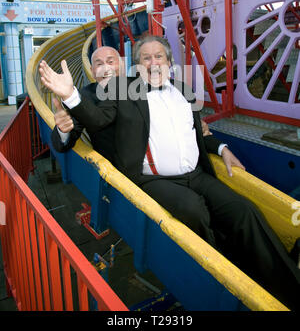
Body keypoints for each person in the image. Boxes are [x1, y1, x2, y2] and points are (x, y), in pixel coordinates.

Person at [39, 35, 300, 310]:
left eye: (158, 57)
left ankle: (290, 288)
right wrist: (70, 97)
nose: (152, 63)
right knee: (194, 210)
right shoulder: (118, 92)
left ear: (167, 62)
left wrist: (221, 148)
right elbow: (93, 119)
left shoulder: (183, 90)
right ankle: (233, 278)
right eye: (146, 58)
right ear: (136, 67)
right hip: (149, 178)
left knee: (245, 210)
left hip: (194, 174)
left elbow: (194, 131)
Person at [51, 46, 123, 162]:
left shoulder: (140, 88)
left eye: (110, 62)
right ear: (92, 71)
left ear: (122, 65)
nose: (106, 68)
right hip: (115, 171)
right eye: (99, 64)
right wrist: (64, 130)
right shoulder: (83, 96)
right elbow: (63, 142)